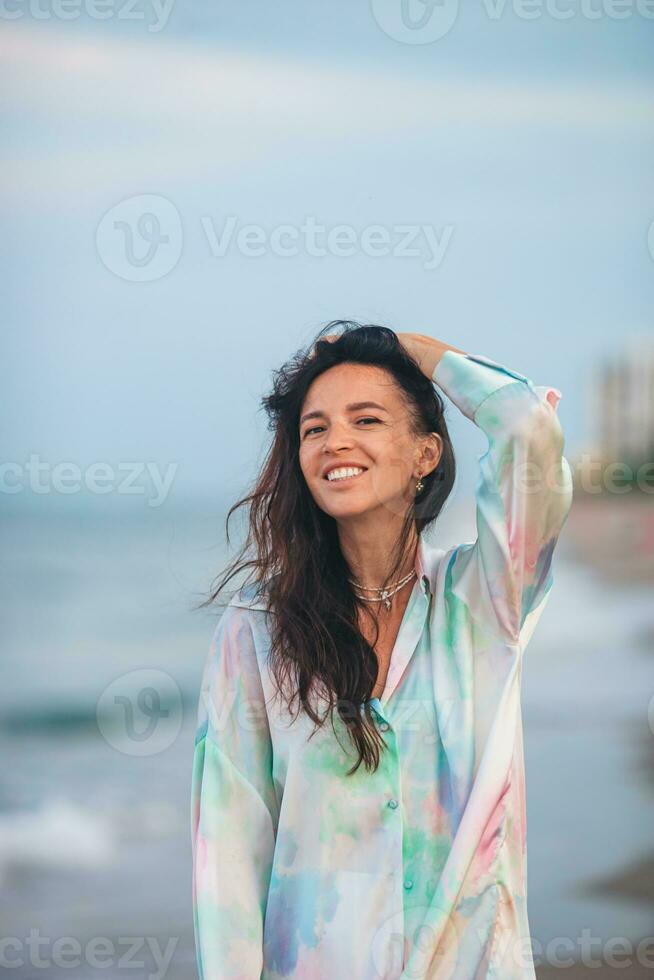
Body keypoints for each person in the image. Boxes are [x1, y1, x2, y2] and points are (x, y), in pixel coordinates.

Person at [190, 321, 574, 979]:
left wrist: (403, 346)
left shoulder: (485, 598)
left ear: (425, 454)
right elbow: (228, 852)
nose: (335, 440)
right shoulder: (258, 627)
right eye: (313, 428)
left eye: (366, 420)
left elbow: (529, 430)